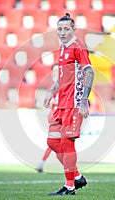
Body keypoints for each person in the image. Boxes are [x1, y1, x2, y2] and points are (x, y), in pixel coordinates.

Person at [44, 13, 95, 196]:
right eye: (60, 29)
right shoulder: (63, 48)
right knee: (53, 142)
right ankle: (77, 177)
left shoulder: (78, 48)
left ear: (74, 30)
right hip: (62, 103)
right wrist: (51, 92)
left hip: (74, 102)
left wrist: (83, 101)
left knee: (67, 143)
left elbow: (89, 72)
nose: (63, 32)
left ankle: (70, 187)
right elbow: (63, 78)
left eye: (66, 29)